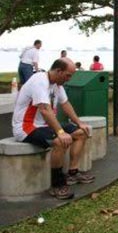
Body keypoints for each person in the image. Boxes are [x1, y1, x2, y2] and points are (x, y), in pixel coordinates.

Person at [11, 58, 95, 200]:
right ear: (58, 71)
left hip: (45, 125)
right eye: (68, 75)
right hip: (26, 127)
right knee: (60, 141)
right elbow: (44, 109)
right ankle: (57, 185)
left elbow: (66, 104)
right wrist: (61, 132)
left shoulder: (57, 84)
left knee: (81, 133)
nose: (69, 79)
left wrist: (79, 123)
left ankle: (73, 173)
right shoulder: (39, 81)